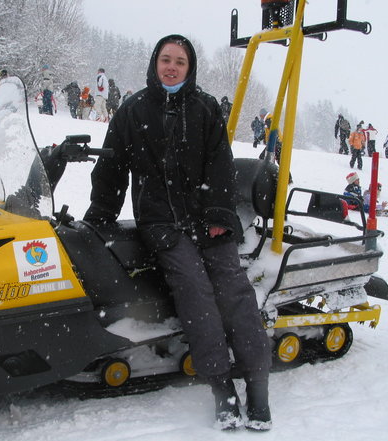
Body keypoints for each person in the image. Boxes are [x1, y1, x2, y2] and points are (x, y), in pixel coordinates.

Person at [84, 34, 272, 432]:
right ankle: (222, 388)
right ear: (155, 63)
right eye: (166, 59)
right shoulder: (133, 110)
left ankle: (258, 386)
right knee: (195, 293)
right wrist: (100, 214)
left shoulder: (204, 108)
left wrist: (219, 211)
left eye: (180, 61)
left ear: (190, 68)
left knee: (233, 291)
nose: (172, 67)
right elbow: (112, 169)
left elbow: (221, 165)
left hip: (209, 219)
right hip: (163, 224)